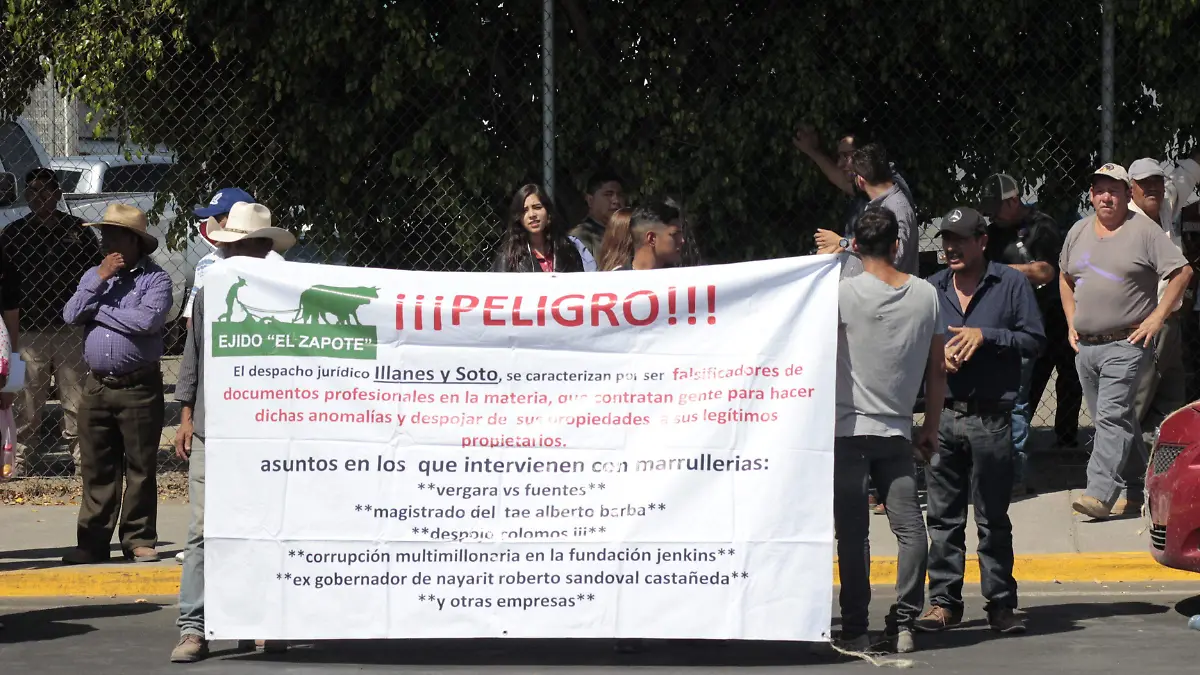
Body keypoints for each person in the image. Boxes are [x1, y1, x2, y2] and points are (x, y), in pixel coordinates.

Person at [171, 202, 296, 662]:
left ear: (263, 250)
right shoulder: (209, 294)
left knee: (267, 526)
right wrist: (185, 416)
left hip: (269, 431)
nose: (234, 255)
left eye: (245, 247)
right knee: (203, 529)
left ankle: (262, 621)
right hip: (213, 430)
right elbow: (193, 357)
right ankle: (193, 628)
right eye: (230, 247)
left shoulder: (289, 294)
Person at [917, 207, 1044, 636]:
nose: (950, 248)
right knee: (943, 518)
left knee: (992, 518)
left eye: (960, 240)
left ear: (982, 242)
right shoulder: (932, 289)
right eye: (946, 240)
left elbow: (1034, 339)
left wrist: (986, 336)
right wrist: (938, 357)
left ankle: (1001, 605)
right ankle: (943, 604)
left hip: (991, 419)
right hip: (945, 416)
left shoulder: (1009, 284)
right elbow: (914, 342)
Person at [833, 205, 945, 654]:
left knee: (854, 532)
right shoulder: (926, 295)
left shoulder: (841, 293)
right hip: (897, 430)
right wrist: (931, 425)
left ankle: (855, 626)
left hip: (846, 427)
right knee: (910, 529)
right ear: (898, 246)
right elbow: (938, 368)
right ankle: (904, 622)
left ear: (855, 247)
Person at [1060, 163, 1192, 520]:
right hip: (1086, 347)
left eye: (1113, 190)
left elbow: (1182, 272)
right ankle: (1139, 489)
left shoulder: (1144, 231)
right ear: (1091, 195)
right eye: (1100, 190)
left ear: (1125, 194)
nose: (1106, 197)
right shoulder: (1078, 231)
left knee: (1111, 417)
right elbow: (1065, 276)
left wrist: (1156, 317)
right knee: (1121, 423)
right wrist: (1071, 319)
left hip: (1127, 344)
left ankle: (1099, 493)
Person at [60, 204, 173, 564]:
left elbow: (146, 322)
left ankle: (138, 539)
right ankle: (92, 543)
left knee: (140, 467)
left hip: (139, 387)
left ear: (134, 240)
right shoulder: (95, 275)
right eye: (104, 234)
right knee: (97, 467)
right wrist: (99, 278)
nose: (106, 241)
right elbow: (70, 314)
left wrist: (99, 310)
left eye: (113, 234)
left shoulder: (156, 280)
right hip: (97, 387)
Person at [979, 172, 1078, 492]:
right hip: (999, 323)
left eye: (997, 205)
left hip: (1042, 321)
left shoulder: (1041, 226)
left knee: (1023, 398)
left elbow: (1046, 271)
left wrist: (999, 272)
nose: (992, 212)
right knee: (1006, 398)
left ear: (1013, 200)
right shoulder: (991, 232)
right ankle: (997, 467)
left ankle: (1017, 473)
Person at [0, 167, 101, 477]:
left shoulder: (77, 230)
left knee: (77, 401)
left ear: (58, 194)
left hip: (70, 329)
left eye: (46, 190)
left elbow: (94, 275)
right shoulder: (14, 234)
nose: (39, 196)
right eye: (31, 191)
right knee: (21, 398)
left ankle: (85, 464)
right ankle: (16, 462)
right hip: (25, 332)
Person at [1119, 155, 1200, 515]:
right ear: (1131, 189)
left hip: (1173, 323)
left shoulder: (1166, 203)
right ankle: (1123, 486)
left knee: (1172, 405)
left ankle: (1164, 485)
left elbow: (1187, 174)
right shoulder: (1126, 222)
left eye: (1156, 180)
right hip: (1146, 323)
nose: (1152, 187)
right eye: (1144, 183)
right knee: (1135, 406)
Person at [792, 126, 914, 253]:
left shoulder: (894, 201)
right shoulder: (874, 191)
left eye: (846, 156)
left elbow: (893, 253)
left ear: (865, 155)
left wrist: (843, 243)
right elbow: (840, 179)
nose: (839, 164)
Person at [183, 188, 284, 327]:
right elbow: (192, 321)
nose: (212, 223)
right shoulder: (207, 263)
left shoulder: (275, 263)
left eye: (218, 218)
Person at [493, 184, 597, 273]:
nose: (532, 215)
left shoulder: (567, 250)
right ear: (518, 218)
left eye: (537, 207)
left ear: (548, 212)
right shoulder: (508, 258)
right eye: (525, 210)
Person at [569, 169, 626, 257]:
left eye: (620, 195)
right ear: (590, 200)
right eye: (608, 194)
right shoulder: (579, 237)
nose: (616, 200)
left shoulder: (630, 234)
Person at [618, 204, 685, 271]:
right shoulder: (616, 279)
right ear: (652, 238)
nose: (682, 240)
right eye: (675, 234)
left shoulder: (678, 278)